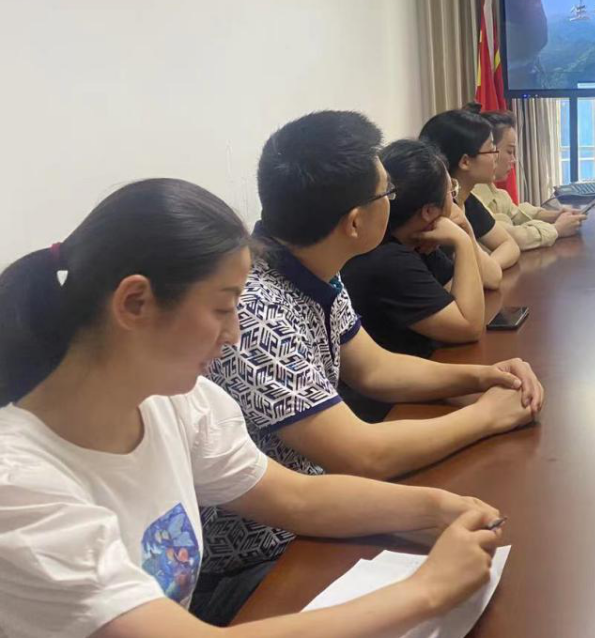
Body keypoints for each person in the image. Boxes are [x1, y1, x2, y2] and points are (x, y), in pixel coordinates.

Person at [0, 179, 506, 636]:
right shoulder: (20, 489)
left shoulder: (174, 403)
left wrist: (437, 508)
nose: (233, 333)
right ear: (135, 303)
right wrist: (427, 591)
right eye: (223, 308)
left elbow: (297, 498)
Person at [202, 112, 543, 616]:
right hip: (262, 560)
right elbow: (361, 454)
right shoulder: (254, 312)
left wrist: (483, 376)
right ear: (355, 223)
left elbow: (375, 368)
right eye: (386, 193)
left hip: (318, 517)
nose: (393, 200)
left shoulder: (313, 267)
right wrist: (486, 415)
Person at [344, 138, 489, 362]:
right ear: (429, 211)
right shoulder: (388, 259)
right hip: (398, 382)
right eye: (450, 191)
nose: (454, 199)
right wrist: (463, 242)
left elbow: (476, 291)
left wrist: (467, 232)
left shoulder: (415, 240)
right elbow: (469, 326)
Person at [419, 109, 522, 278]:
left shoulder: (466, 199)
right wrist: (486, 269)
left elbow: (509, 245)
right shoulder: (439, 212)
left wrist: (489, 265)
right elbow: (491, 277)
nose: (496, 157)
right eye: (491, 150)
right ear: (465, 161)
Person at [473, 109, 586, 250]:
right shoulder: (471, 200)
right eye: (509, 151)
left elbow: (515, 213)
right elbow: (511, 237)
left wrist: (556, 215)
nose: (514, 159)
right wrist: (557, 228)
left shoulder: (493, 192)